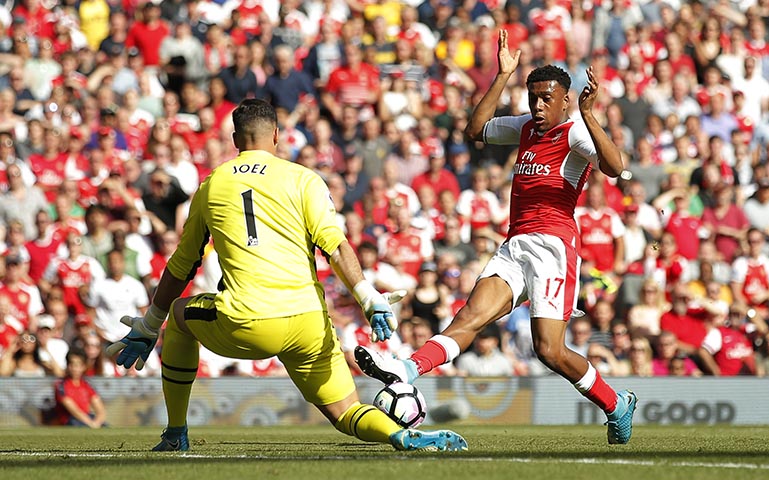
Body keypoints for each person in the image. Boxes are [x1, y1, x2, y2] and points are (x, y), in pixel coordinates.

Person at [106, 99, 466, 452]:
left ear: (234, 140)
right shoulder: (304, 179)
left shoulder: (212, 184)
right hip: (308, 322)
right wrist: (367, 297)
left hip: (247, 322)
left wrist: (150, 323)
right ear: (277, 135)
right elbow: (336, 247)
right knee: (345, 412)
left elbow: (182, 265)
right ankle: (398, 435)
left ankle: (175, 432)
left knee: (178, 317)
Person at [355, 31, 638, 445]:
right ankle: (407, 368)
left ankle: (615, 403)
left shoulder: (575, 133)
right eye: (533, 97)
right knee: (470, 317)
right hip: (515, 244)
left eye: (547, 98)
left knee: (549, 351)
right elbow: (476, 129)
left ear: (565, 100)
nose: (538, 106)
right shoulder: (525, 127)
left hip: (553, 248)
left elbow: (615, 168)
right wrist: (503, 75)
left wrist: (589, 114)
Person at [53, 349, 107, 427]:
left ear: (84, 367)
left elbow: (100, 409)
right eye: (72, 364)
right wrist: (91, 424)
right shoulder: (61, 385)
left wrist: (97, 422)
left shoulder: (87, 385)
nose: (75, 369)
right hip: (70, 420)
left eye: (78, 365)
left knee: (106, 426)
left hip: (87, 417)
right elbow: (73, 410)